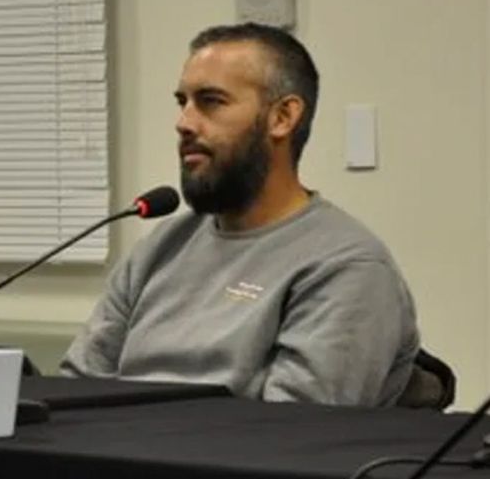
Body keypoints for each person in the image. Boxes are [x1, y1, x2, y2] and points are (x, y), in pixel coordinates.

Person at [61, 23, 420, 407]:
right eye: (182, 102)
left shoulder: (346, 266)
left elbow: (292, 438)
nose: (184, 122)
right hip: (113, 457)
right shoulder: (161, 248)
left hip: (224, 462)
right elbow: (76, 393)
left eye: (211, 101)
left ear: (282, 117)